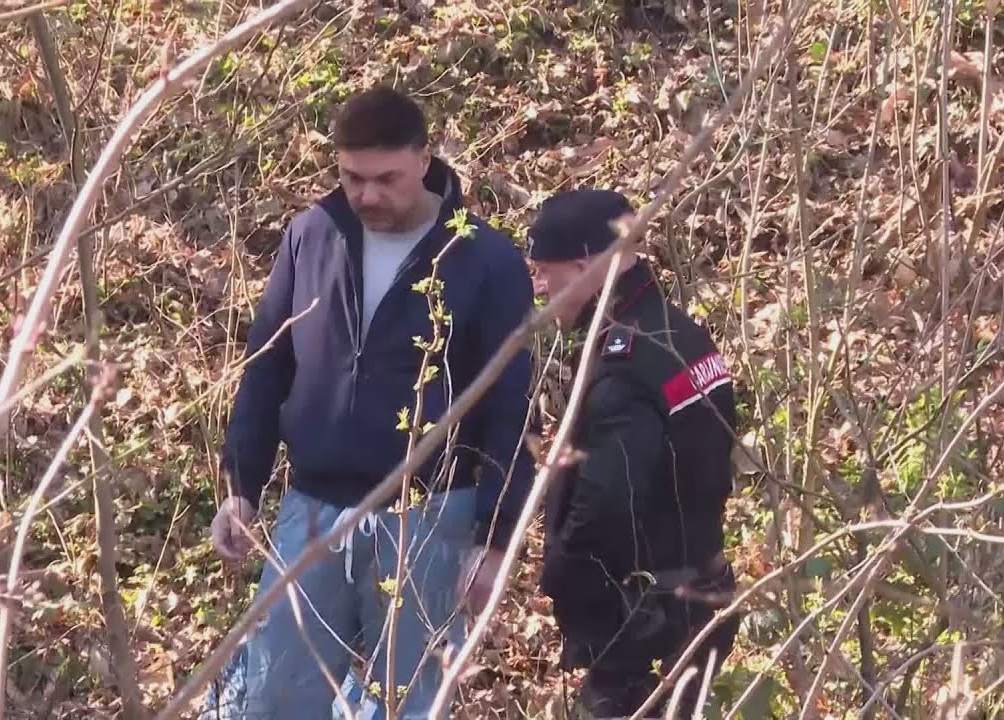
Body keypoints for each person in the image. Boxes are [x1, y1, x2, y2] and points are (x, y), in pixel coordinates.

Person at [207, 87, 535, 719]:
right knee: (275, 694)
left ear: (424, 159)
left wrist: (493, 541)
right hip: (311, 510)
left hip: (432, 515)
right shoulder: (311, 236)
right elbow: (267, 367)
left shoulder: (483, 258)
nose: (368, 196)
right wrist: (242, 484)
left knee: (412, 700)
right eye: (353, 178)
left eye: (386, 178)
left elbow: (508, 408)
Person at [527, 189, 740, 719]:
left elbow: (607, 503)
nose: (540, 287)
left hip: (647, 626)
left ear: (582, 266)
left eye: (545, 272)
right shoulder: (681, 335)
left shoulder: (623, 365)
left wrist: (564, 575)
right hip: (700, 593)